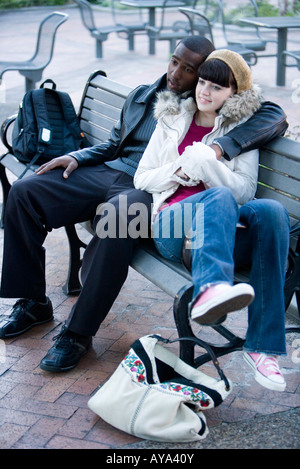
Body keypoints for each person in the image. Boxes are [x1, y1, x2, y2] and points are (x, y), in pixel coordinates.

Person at [0, 37, 288, 374]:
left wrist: (215, 151)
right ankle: (33, 301)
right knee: (24, 191)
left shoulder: (218, 111)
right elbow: (113, 143)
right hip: (118, 173)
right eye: (175, 61)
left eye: (190, 69)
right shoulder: (144, 96)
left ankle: (77, 331)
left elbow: (270, 113)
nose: (176, 73)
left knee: (119, 219)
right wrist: (77, 156)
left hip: (148, 194)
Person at [134, 49, 290, 392]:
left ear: (234, 95)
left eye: (217, 88)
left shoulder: (241, 132)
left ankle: (263, 348)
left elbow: (246, 192)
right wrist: (179, 169)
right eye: (203, 82)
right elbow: (142, 178)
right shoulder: (172, 120)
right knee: (217, 197)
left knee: (271, 211)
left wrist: (208, 162)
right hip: (173, 227)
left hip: (223, 230)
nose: (205, 91)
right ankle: (212, 289)